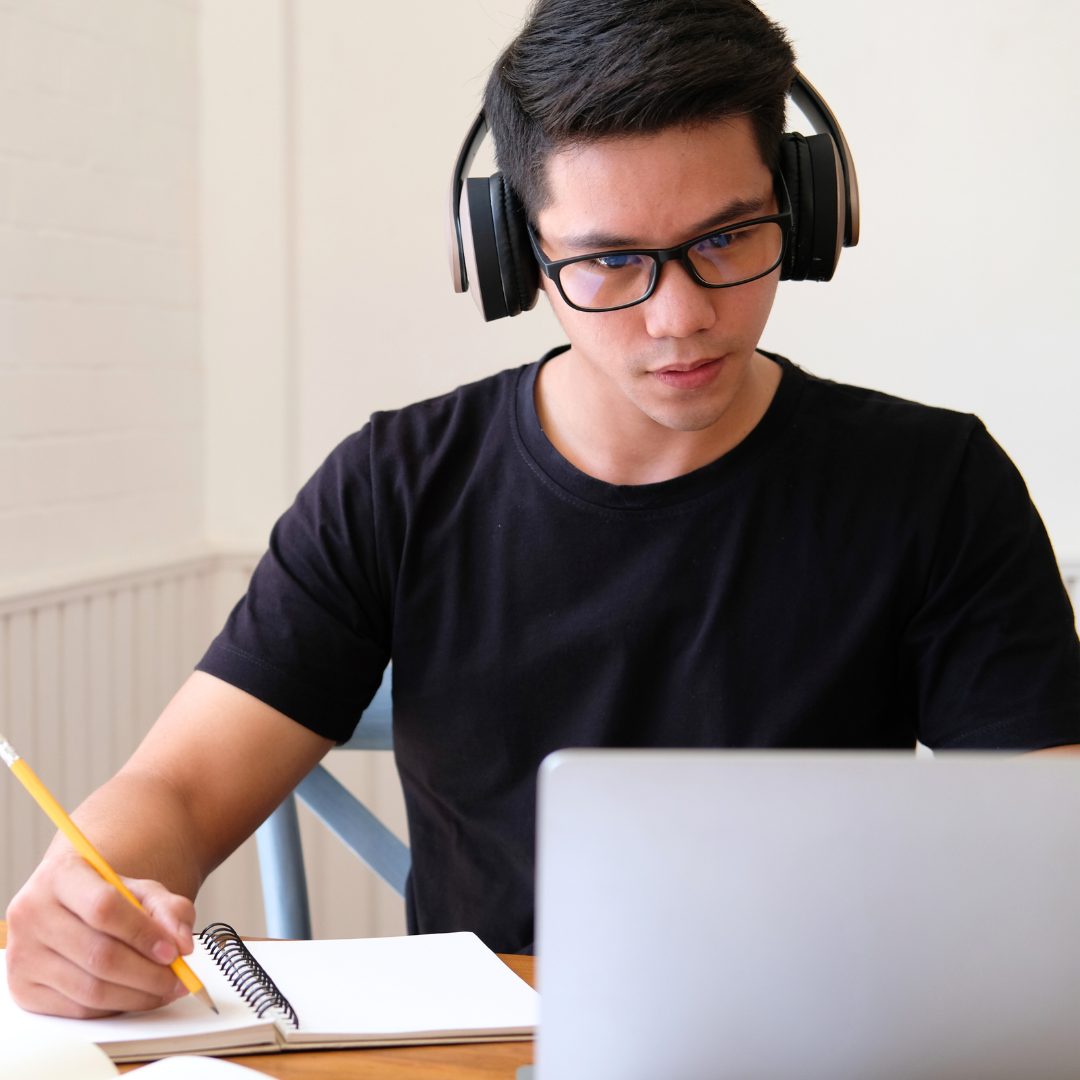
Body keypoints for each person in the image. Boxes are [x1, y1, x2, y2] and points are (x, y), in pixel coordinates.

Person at [7, 0, 1079, 1019]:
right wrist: (88, 903)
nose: (680, 317)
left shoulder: (937, 484)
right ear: (519, 256)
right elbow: (181, 792)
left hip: (829, 1041)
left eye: (726, 238)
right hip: (491, 1059)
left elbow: (1051, 849)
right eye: (612, 259)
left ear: (801, 214)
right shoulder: (395, 485)